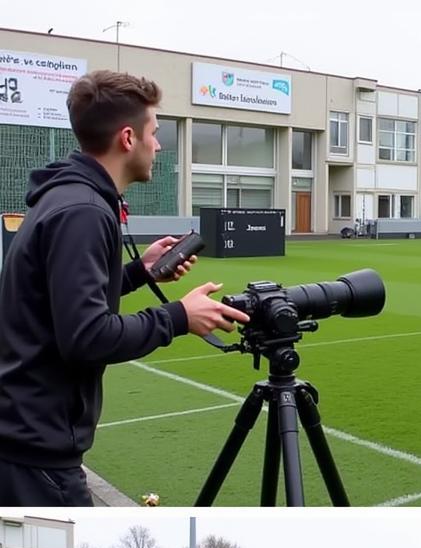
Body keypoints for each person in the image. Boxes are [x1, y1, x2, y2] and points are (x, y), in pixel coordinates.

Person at [0, 70, 250, 507]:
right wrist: (179, 317)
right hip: (35, 457)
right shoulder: (82, 210)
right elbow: (86, 337)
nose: (159, 145)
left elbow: (59, 302)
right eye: (155, 133)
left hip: (25, 443)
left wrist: (139, 272)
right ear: (128, 137)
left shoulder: (70, 200)